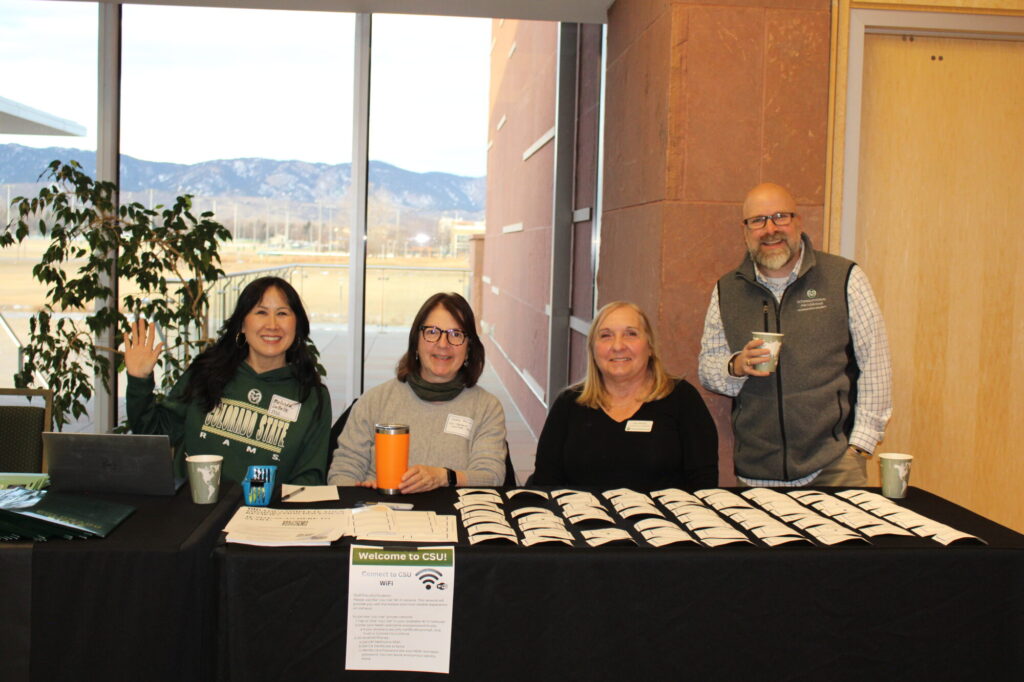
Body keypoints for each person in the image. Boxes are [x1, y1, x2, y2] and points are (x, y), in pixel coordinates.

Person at [698, 182, 892, 487]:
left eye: (780, 216)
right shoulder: (727, 290)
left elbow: (876, 366)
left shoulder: (844, 278)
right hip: (755, 473)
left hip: (834, 467)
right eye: (758, 221)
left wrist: (859, 447)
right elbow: (708, 369)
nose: (770, 229)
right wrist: (736, 365)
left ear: (798, 222)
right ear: (745, 230)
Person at [125, 276, 331, 485]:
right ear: (242, 324)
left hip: (263, 514)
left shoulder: (312, 397)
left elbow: (309, 478)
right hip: (192, 508)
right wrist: (138, 381)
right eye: (261, 312)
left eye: (282, 313)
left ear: (297, 325)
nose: (272, 325)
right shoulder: (207, 371)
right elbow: (155, 433)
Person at [529, 301, 719, 491]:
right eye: (606, 336)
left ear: (650, 346)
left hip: (662, 519)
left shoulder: (682, 399)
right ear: (593, 350)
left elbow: (703, 484)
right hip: (584, 519)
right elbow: (545, 482)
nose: (618, 346)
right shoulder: (568, 404)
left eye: (631, 334)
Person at [328, 292, 506, 492]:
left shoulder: (486, 408)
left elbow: (492, 476)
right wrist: (360, 492)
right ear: (416, 340)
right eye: (432, 332)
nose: (443, 344)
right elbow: (342, 472)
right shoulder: (375, 401)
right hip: (380, 514)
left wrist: (444, 476)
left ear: (469, 348)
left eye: (456, 334)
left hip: (455, 518)